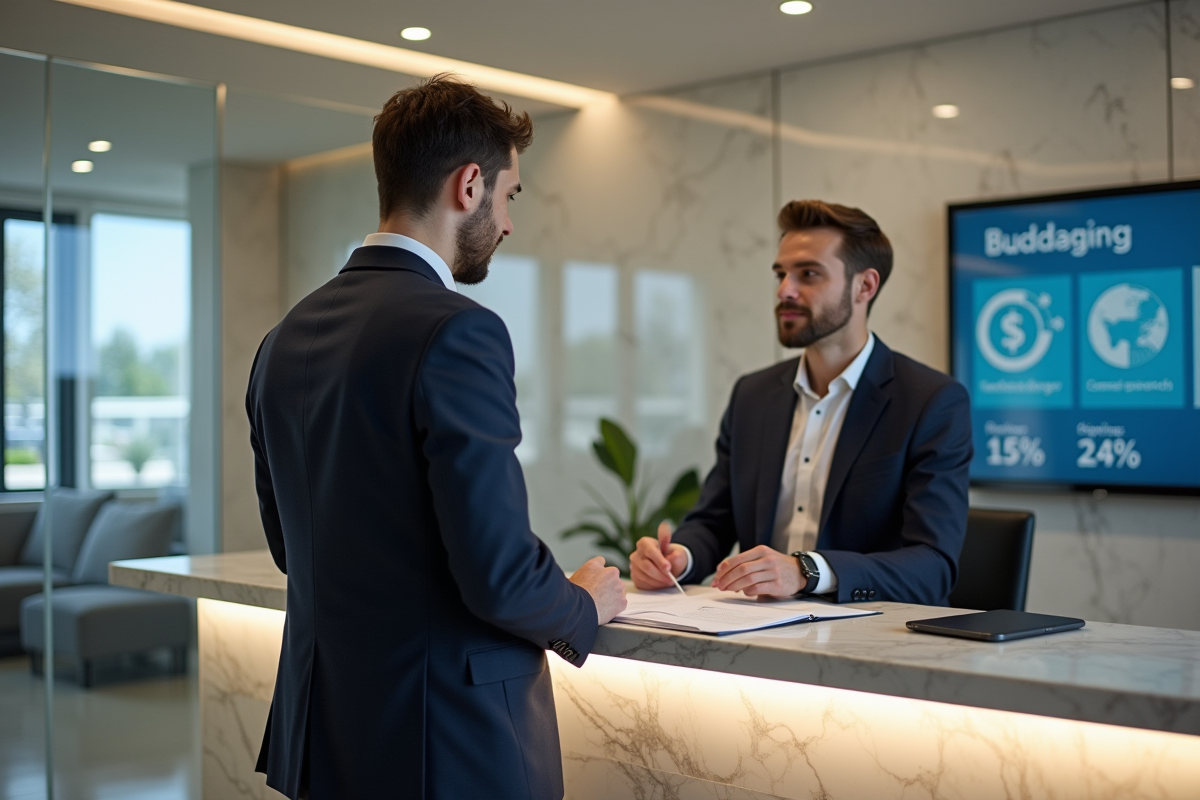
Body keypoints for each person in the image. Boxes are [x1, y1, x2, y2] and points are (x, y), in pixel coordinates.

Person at [247, 74, 626, 800]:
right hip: (444, 746)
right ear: (469, 185)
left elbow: (293, 549)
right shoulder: (458, 331)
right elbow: (498, 574)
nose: (508, 223)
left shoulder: (282, 339)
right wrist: (582, 604)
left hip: (324, 739)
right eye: (510, 196)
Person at [630, 200, 972, 605]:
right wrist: (678, 558)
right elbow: (714, 521)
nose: (784, 291)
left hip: (870, 634)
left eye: (808, 274)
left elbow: (934, 566)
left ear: (865, 286)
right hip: (756, 630)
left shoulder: (930, 401)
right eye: (781, 274)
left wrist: (806, 571)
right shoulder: (752, 396)